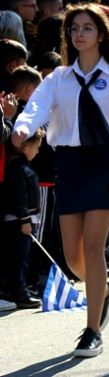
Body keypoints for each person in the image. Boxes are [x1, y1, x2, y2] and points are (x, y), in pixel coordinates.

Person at [12, 3, 109, 357]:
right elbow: (37, 106)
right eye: (74, 29)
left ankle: (92, 330)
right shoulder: (58, 78)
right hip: (70, 165)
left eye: (87, 28)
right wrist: (23, 126)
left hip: (104, 163)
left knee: (92, 247)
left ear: (100, 35)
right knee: (73, 259)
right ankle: (102, 290)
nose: (79, 34)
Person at [1, 129, 44, 309]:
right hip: (18, 222)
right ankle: (18, 290)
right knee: (18, 259)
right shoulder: (18, 169)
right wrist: (25, 220)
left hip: (23, 221)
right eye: (37, 147)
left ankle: (18, 288)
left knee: (22, 257)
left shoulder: (23, 167)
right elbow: (20, 198)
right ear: (26, 148)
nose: (38, 151)